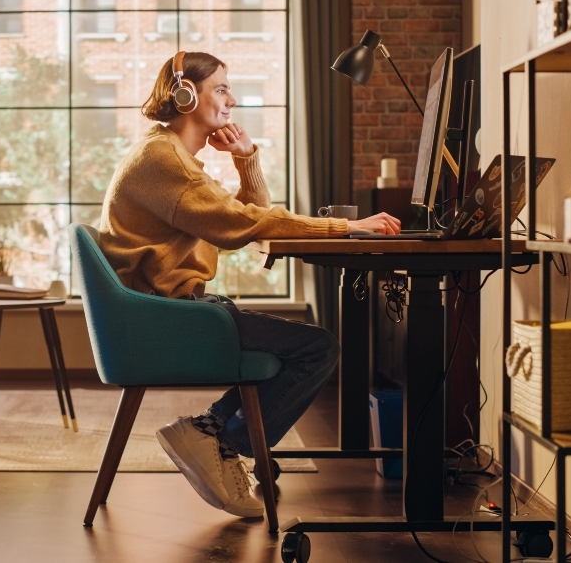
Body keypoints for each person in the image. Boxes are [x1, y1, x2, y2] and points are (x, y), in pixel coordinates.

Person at [97, 51, 399, 517]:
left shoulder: (167, 153)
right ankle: (220, 440)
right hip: (164, 318)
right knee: (317, 348)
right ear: (185, 94)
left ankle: (212, 433)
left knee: (292, 343)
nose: (232, 100)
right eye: (221, 88)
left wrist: (246, 160)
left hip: (166, 310)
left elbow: (248, 217)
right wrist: (348, 227)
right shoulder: (165, 161)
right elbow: (247, 224)